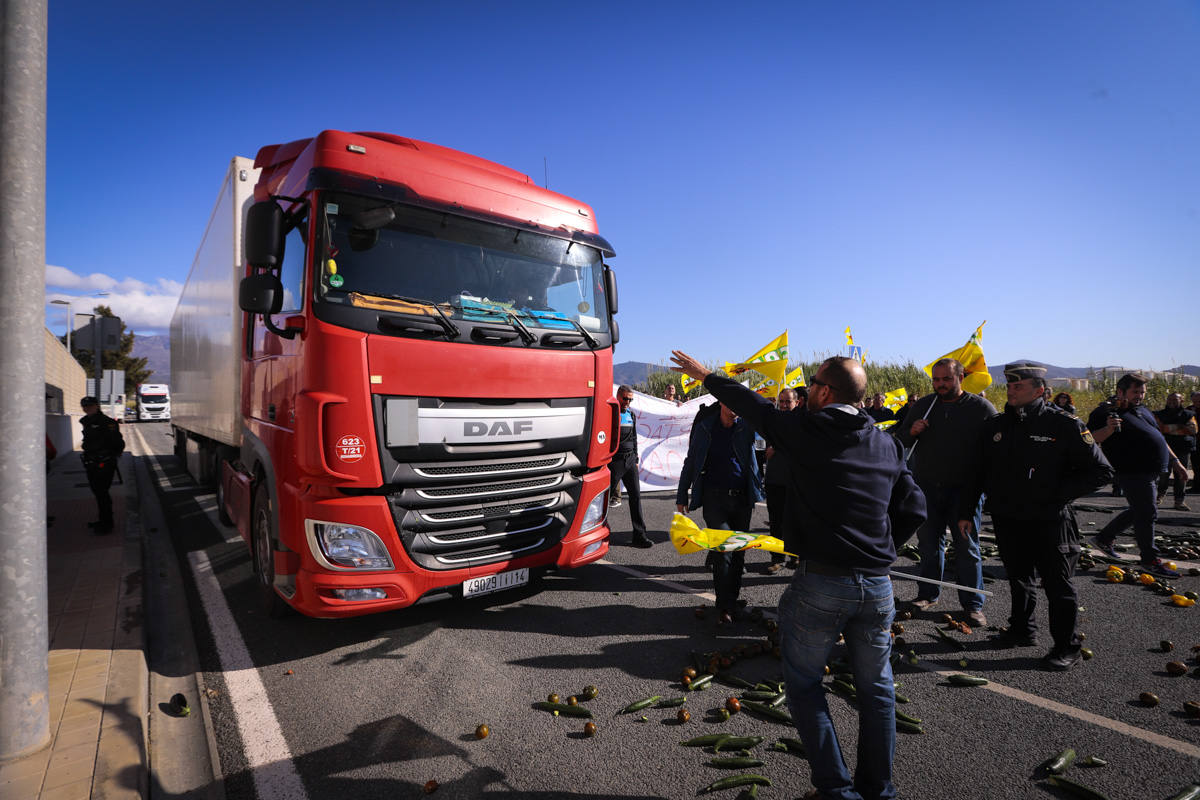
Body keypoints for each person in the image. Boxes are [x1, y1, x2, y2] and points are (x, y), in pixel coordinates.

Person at [671, 351, 925, 800]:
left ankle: (835, 789)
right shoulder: (885, 443)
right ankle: (878, 790)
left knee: (805, 685)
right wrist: (880, 547)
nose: (806, 390)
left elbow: (755, 408)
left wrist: (707, 376)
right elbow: (914, 509)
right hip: (879, 585)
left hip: (823, 584)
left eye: (812, 384)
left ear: (826, 392)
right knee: (878, 692)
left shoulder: (810, 431)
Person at [957, 363, 1112, 670]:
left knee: (1058, 585)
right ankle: (1021, 630)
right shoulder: (996, 427)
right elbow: (976, 473)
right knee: (1019, 578)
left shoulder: (1064, 425)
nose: (1010, 390)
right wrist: (965, 512)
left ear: (1039, 390)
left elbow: (1101, 471)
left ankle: (1067, 646)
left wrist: (1055, 491)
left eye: (1018, 386)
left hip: (1050, 519)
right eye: (1009, 386)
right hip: (1008, 517)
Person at [894, 358, 997, 626]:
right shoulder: (924, 405)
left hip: (965, 493)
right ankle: (927, 594)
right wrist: (911, 431)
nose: (940, 385)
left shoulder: (981, 408)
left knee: (967, 547)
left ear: (961, 377)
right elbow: (900, 438)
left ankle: (973, 605)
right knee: (928, 544)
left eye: (946, 379)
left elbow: (996, 451)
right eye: (936, 380)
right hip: (927, 489)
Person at [1088, 373, 1188, 576]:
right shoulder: (1105, 411)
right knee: (1147, 512)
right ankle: (1149, 560)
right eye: (1135, 392)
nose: (1140, 396)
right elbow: (1087, 440)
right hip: (1131, 470)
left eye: (1142, 392)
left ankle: (1104, 538)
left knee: (1140, 509)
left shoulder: (1142, 410)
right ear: (1120, 391)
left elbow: (1159, 437)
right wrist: (1108, 429)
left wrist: (1175, 461)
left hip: (1151, 470)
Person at [676, 399, 763, 624]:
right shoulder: (705, 428)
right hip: (715, 500)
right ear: (722, 403)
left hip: (743, 500)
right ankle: (724, 606)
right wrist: (681, 494)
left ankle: (730, 601)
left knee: (739, 553)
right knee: (724, 552)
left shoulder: (746, 427)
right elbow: (691, 461)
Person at [608, 386, 652, 547]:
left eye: (630, 399)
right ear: (618, 396)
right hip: (614, 462)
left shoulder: (631, 414)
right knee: (603, 500)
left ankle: (639, 535)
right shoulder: (610, 413)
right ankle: (598, 534)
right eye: (625, 399)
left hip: (630, 461)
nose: (627, 402)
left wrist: (635, 457)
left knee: (636, 498)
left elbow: (633, 437)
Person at [764, 388, 801, 574]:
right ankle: (777, 558)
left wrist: (777, 445)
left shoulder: (802, 422)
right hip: (774, 480)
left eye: (788, 401)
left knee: (794, 521)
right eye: (782, 401)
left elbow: (793, 440)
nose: (785, 405)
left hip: (795, 481)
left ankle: (795, 556)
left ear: (797, 402)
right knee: (776, 522)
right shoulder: (774, 421)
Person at [80, 395, 125, 535]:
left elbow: (118, 443)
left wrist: (109, 455)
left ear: (97, 406)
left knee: (102, 493)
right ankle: (103, 520)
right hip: (91, 463)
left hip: (104, 463)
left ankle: (107, 524)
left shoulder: (108, 422)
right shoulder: (86, 421)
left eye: (90, 405)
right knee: (98, 493)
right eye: (85, 406)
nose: (87, 408)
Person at [1154, 393, 1196, 511]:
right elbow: (1157, 429)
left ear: (1182, 401)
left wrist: (1167, 428)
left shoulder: (1189, 414)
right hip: (1164, 448)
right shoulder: (1159, 414)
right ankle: (1159, 497)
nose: (1172, 401)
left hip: (1183, 448)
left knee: (1181, 475)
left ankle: (1179, 501)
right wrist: (1180, 427)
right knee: (1163, 474)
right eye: (1170, 399)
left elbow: (1192, 429)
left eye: (1175, 399)